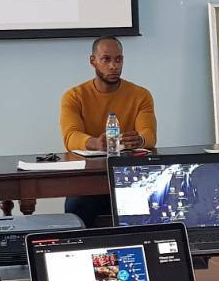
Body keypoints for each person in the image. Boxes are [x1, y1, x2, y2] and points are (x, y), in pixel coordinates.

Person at [59, 35, 157, 226]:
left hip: (130, 176)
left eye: (118, 59)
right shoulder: (74, 96)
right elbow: (70, 136)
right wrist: (95, 143)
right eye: (106, 59)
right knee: (77, 205)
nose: (113, 66)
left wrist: (140, 141)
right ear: (93, 61)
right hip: (88, 179)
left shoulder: (141, 95)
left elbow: (149, 135)